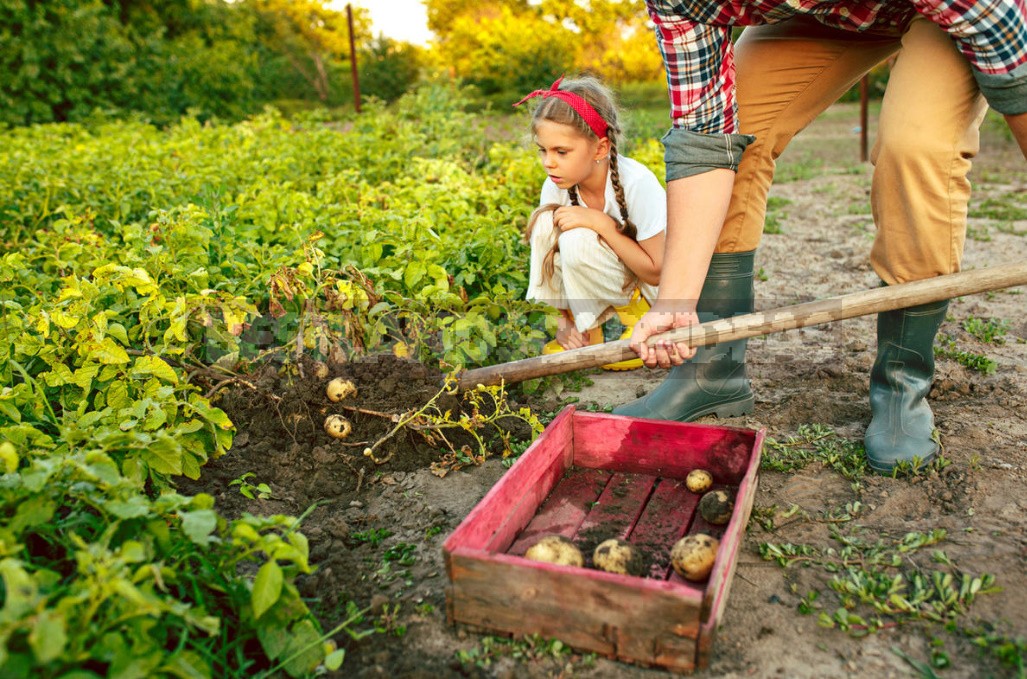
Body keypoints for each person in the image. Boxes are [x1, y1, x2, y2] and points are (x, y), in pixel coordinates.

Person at [614, 1, 1027, 473]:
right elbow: (706, 137)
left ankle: (901, 385)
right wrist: (675, 303)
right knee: (742, 129)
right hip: (834, 14)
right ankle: (710, 368)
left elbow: (1015, 74)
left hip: (947, 15)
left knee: (916, 144)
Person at [516, 75, 667, 371]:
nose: (548, 162)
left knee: (575, 239)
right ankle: (581, 328)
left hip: (649, 288)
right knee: (545, 223)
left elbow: (657, 272)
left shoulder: (636, 183)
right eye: (543, 150)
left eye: (561, 152)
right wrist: (559, 322)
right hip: (605, 278)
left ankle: (630, 319)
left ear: (600, 149)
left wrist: (601, 223)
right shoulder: (557, 184)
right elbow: (546, 257)